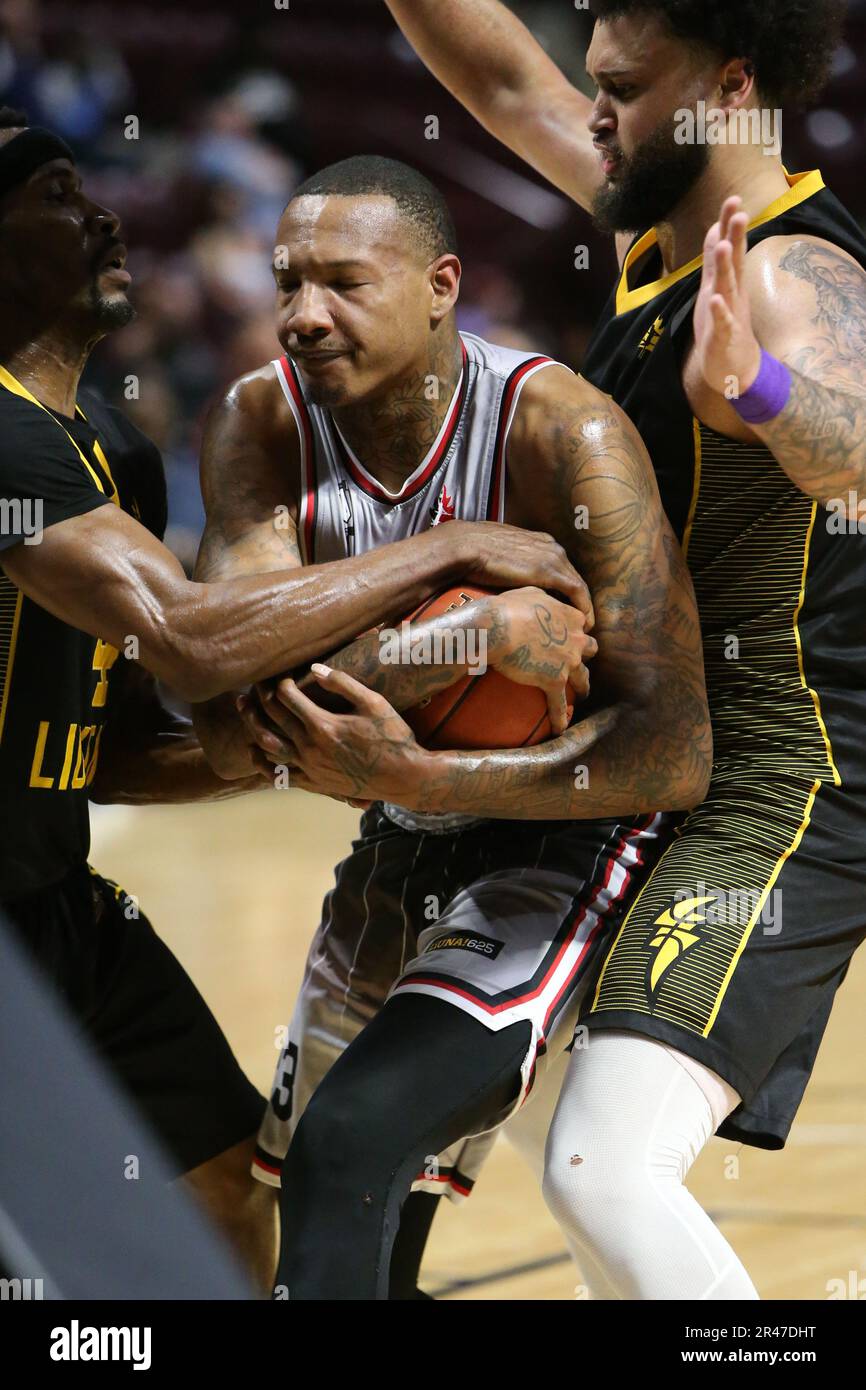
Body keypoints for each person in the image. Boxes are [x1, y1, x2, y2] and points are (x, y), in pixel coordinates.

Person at [307, 0, 866, 1298]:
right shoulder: (653, 222)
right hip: (653, 755)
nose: (591, 108)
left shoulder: (793, 270)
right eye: (595, 82)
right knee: (546, 1158)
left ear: (729, 88)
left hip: (789, 775)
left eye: (620, 87)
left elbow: (858, 450)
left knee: (604, 1166)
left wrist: (761, 393)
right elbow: (501, 77)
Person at [0, 111, 582, 1294]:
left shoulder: (106, 441)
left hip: (60, 904)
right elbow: (184, 635)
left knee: (227, 1184)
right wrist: (449, 552)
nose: (105, 212)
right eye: (57, 193)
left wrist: (304, 748)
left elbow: (116, 751)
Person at [198, 153, 711, 1299]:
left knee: (349, 1145)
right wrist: (460, 632)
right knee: (346, 1229)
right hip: (394, 828)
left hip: (563, 832)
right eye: (287, 282)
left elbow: (671, 750)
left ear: (440, 284)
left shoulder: (561, 434)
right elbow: (239, 719)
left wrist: (415, 756)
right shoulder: (256, 424)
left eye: (343, 283)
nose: (302, 315)